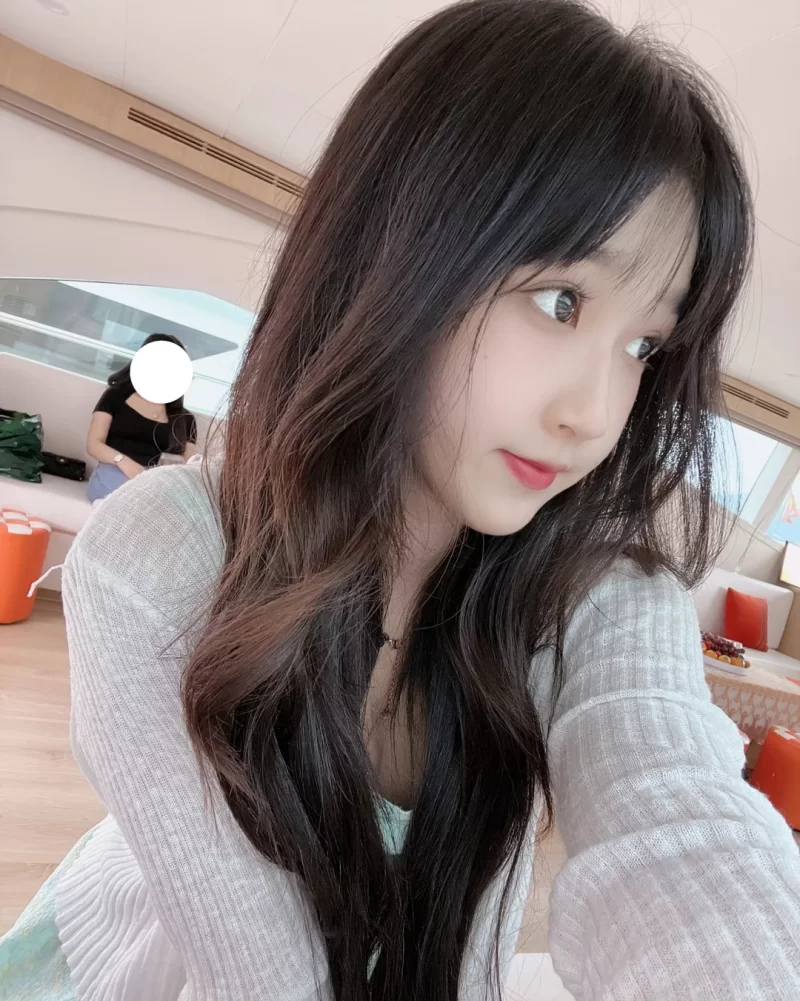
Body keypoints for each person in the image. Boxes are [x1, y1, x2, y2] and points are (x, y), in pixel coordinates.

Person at [1, 2, 799, 998]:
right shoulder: (166, 552)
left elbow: (681, 830)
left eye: (644, 345)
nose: (594, 414)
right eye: (561, 301)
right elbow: (266, 971)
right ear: (401, 246)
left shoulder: (588, 600)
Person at [85, 332, 198, 503]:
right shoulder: (115, 396)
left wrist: (173, 469)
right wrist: (123, 462)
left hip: (156, 483)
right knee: (132, 501)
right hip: (115, 470)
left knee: (159, 504)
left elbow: (188, 469)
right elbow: (93, 444)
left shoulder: (186, 420)